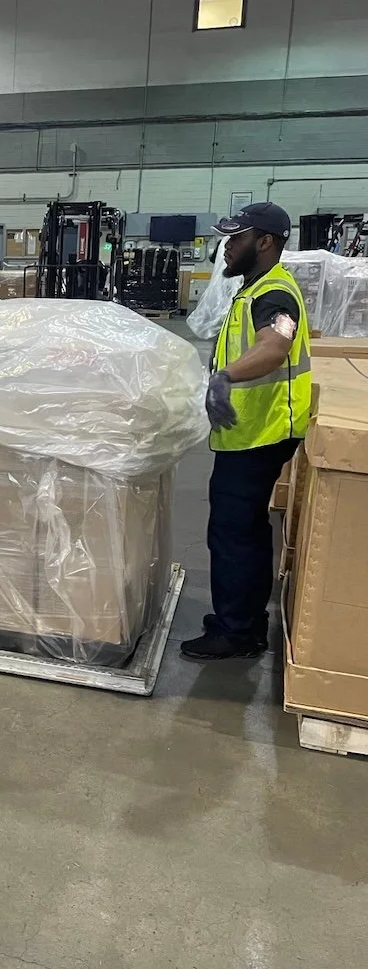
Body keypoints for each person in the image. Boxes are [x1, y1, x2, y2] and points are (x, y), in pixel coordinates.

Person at [181, 201, 311, 661]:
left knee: (233, 532)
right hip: (251, 432)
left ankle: (235, 632)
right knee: (246, 530)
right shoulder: (255, 289)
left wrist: (225, 377)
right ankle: (245, 623)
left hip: (260, 433)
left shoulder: (275, 295)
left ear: (265, 242)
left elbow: (274, 347)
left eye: (236, 238)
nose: (227, 247)